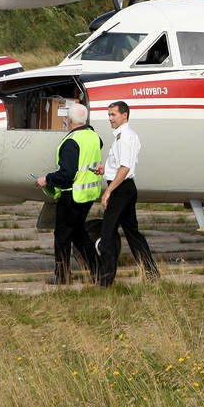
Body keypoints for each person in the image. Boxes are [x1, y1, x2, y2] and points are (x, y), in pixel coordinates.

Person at [35, 102, 104, 285]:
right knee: (79, 234)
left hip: (72, 195)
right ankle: (98, 272)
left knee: (62, 236)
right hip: (88, 195)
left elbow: (67, 174)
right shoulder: (94, 137)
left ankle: (63, 276)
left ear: (69, 120)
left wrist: (47, 179)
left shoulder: (71, 142)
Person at [93, 101, 160, 287]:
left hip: (121, 190)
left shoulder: (124, 138)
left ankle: (106, 281)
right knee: (133, 234)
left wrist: (108, 191)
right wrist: (105, 168)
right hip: (126, 188)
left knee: (107, 234)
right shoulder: (125, 136)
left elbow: (125, 168)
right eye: (109, 115)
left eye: (113, 115)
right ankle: (151, 272)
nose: (110, 119)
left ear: (125, 115)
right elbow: (120, 165)